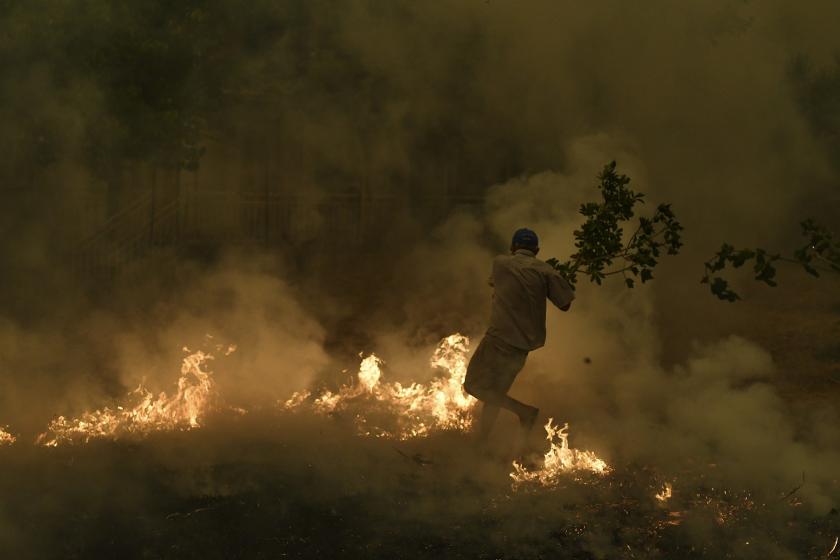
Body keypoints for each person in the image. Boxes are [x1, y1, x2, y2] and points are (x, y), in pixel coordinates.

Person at [463, 227, 575, 446]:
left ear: (513, 248)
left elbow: (494, 284)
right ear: (537, 250)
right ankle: (480, 443)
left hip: (497, 340)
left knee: (473, 386)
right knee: (496, 393)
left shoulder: (500, 263)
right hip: (521, 347)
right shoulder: (546, 271)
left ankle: (523, 411)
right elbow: (565, 304)